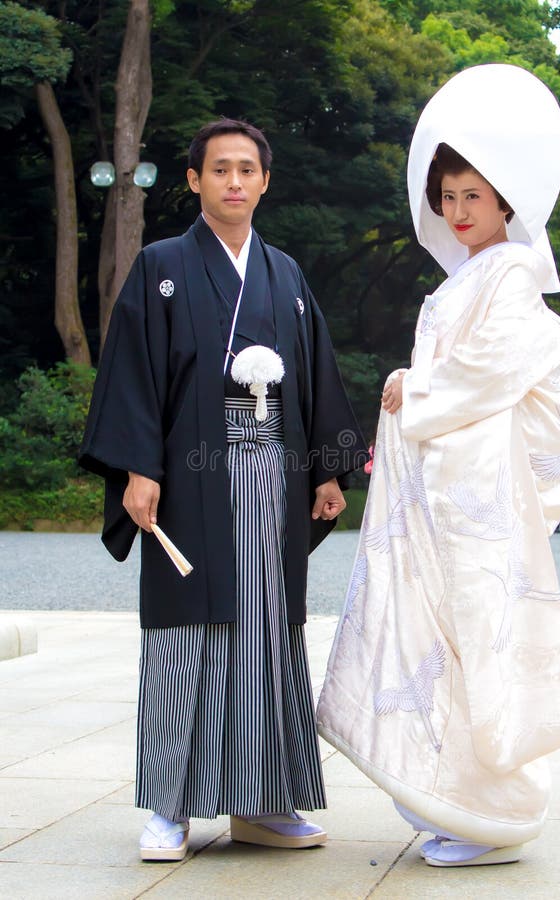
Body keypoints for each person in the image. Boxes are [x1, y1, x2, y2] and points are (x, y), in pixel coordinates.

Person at [317, 64, 560, 868]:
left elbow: (494, 372)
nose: (460, 211)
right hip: (447, 497)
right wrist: (420, 391)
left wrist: (417, 388)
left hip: (478, 498)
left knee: (477, 641)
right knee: (443, 645)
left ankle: (492, 813)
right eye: (450, 196)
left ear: (507, 201)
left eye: (476, 196)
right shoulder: (462, 281)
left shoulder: (509, 275)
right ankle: (459, 800)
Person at [79, 118, 367, 861]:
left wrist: (328, 468)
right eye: (220, 170)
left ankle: (263, 804)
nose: (234, 181)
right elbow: (135, 374)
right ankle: (170, 808)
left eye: (247, 170)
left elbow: (312, 374)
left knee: (268, 637)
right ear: (195, 181)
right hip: (189, 476)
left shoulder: (286, 275)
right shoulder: (162, 266)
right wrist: (139, 468)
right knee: (184, 636)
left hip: (272, 476)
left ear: (265, 181)